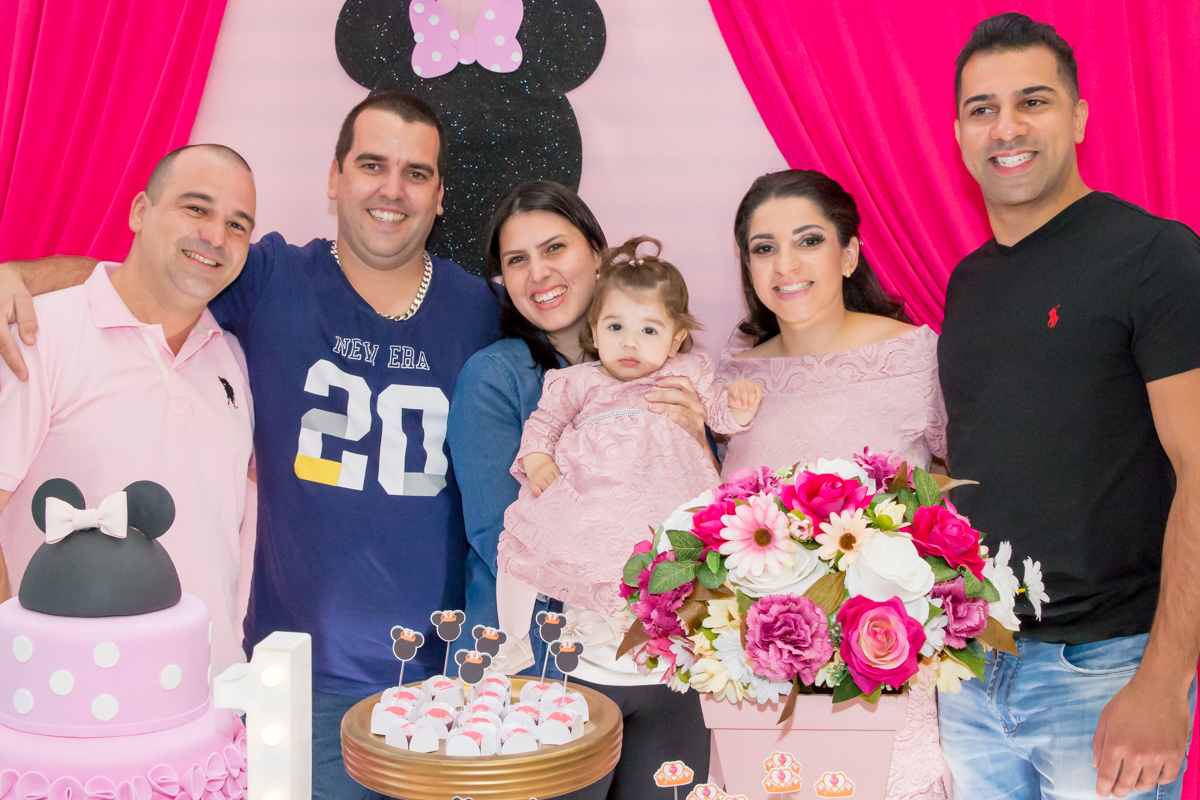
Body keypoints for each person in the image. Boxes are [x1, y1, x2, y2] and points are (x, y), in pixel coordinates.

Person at [0, 91, 501, 800]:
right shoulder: (268, 279)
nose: (392, 188)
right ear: (333, 178)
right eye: (371, 164)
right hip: (294, 681)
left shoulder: (479, 308)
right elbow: (139, 277)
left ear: (441, 195)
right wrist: (14, 279)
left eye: (416, 173)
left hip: (448, 682)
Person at [937, 13, 1200, 800]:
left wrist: (1163, 681)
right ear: (957, 132)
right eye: (982, 109)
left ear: (1080, 116)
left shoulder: (1156, 255)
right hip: (974, 670)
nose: (1006, 127)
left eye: (1034, 101)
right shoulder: (969, 281)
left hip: (1105, 671)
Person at [446, 184, 719, 799]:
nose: (537, 272)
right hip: (547, 664)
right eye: (516, 260)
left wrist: (700, 437)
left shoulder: (677, 374)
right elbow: (498, 535)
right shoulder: (499, 375)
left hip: (664, 665)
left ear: (598, 254)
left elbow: (706, 506)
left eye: (554, 248)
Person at [716, 169, 949, 800]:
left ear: (848, 254)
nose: (785, 264)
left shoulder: (918, 357)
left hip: (886, 674)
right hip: (763, 683)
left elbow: (962, 500)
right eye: (764, 248)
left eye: (809, 240)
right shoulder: (732, 378)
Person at [0, 144, 257, 678]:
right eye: (196, 208)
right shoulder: (38, 335)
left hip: (210, 711)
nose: (215, 236)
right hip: (64, 706)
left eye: (238, 224)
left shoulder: (231, 359)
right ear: (140, 211)